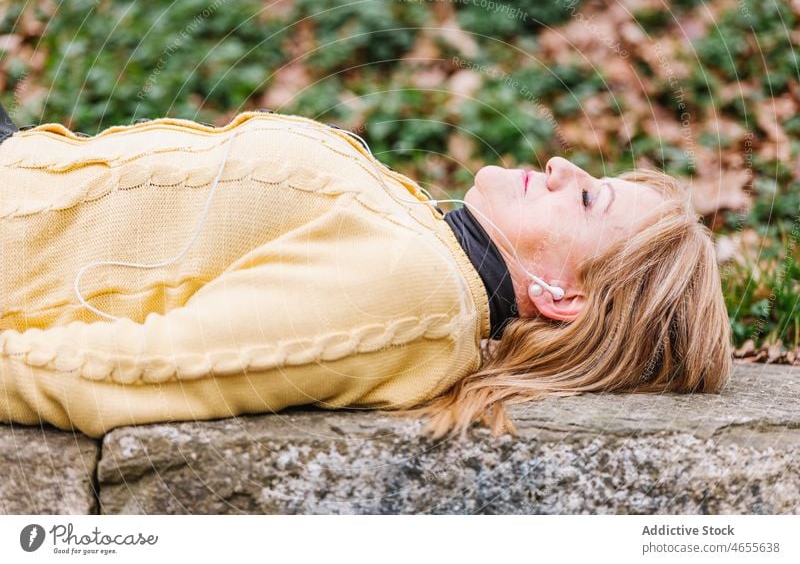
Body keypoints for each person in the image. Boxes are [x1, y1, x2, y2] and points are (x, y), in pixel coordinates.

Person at [0, 107, 732, 440]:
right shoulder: (423, 243)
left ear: (563, 296)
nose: (561, 165)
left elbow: (128, 375)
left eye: (586, 197)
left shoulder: (413, 294)